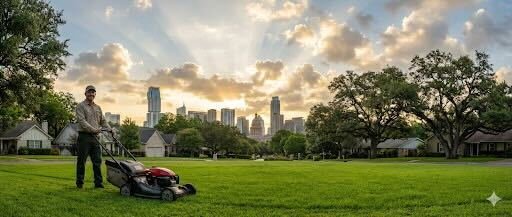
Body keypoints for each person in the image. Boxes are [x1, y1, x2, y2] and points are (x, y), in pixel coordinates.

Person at [75, 85, 111, 189]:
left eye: (93, 92)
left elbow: (103, 121)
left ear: (95, 94)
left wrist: (110, 129)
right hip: (84, 137)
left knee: (97, 161)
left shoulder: (98, 107)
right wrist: (94, 129)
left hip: (95, 138)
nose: (91, 94)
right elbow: (82, 122)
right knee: (81, 161)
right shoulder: (80, 106)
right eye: (89, 92)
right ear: (85, 93)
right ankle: (80, 183)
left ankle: (98, 184)